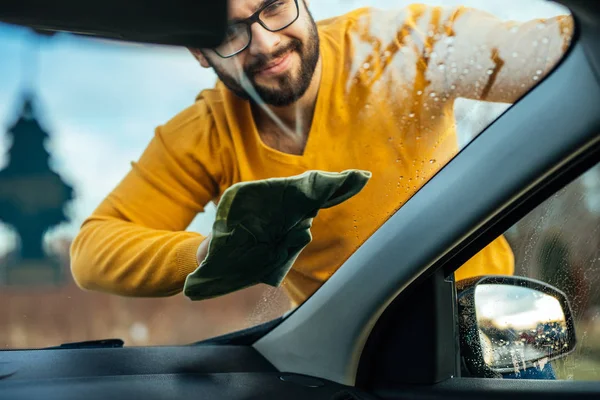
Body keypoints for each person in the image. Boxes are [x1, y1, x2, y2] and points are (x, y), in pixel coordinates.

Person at [70, 0, 573, 306]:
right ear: (199, 53)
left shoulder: (399, 47)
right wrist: (210, 254)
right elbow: (92, 251)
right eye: (227, 33)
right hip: (349, 349)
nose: (264, 44)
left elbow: (545, 55)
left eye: (272, 7)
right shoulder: (209, 131)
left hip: (483, 327)